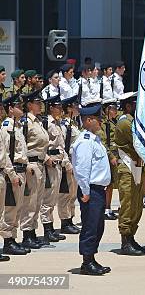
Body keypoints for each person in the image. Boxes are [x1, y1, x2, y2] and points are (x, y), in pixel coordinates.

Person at [72, 101, 112, 275]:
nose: (101, 121)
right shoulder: (85, 142)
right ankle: (87, 261)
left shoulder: (94, 139)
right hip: (91, 190)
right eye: (97, 119)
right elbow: (82, 169)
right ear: (88, 120)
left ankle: (91, 258)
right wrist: (86, 192)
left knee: (97, 226)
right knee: (90, 225)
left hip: (97, 190)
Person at [114, 92, 145, 255]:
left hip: (136, 166)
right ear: (128, 106)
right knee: (128, 203)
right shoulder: (125, 122)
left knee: (137, 204)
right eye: (136, 104)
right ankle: (125, 240)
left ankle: (131, 237)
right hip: (127, 167)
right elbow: (140, 141)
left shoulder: (134, 120)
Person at [0, 94, 29, 257]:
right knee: (10, 209)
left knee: (17, 207)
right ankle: (8, 240)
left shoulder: (17, 126)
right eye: (18, 105)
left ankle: (13, 238)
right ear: (10, 109)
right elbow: (5, 155)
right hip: (13, 172)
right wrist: (11, 175)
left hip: (20, 170)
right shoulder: (7, 128)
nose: (21, 107)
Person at [20, 90, 50, 248]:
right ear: (29, 104)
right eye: (37, 103)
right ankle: (26, 234)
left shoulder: (37, 121)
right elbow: (21, 145)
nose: (40, 105)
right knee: (30, 201)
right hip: (31, 165)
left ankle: (32, 232)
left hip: (40, 164)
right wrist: (25, 164)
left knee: (37, 201)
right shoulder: (26, 122)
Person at [39, 95, 67, 243]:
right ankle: (47, 229)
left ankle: (50, 228)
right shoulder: (47, 123)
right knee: (48, 198)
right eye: (58, 107)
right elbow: (41, 145)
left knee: (54, 198)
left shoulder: (57, 123)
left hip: (58, 163)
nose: (61, 110)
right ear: (51, 108)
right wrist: (45, 159)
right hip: (50, 164)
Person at [58, 95, 81, 234]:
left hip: (75, 162)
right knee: (65, 194)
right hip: (68, 161)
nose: (78, 108)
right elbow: (64, 145)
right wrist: (66, 163)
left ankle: (70, 219)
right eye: (75, 106)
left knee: (72, 193)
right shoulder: (64, 125)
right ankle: (64, 221)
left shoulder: (73, 124)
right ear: (69, 108)